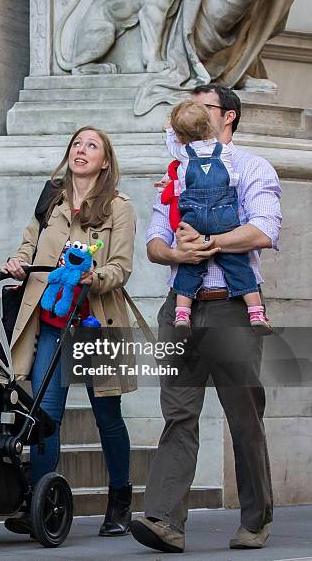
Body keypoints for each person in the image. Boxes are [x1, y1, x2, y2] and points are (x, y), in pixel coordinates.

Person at [131, 85, 282, 553]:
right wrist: (176, 251)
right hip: (181, 309)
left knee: (243, 418)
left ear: (228, 117)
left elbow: (264, 229)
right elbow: (155, 242)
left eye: (204, 107)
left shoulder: (252, 167)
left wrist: (211, 243)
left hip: (232, 306)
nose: (192, 114)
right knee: (178, 415)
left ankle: (255, 519)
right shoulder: (176, 172)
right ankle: (163, 520)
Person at [1, 126, 137, 537]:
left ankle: (120, 501)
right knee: (44, 418)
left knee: (107, 416)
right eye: (77, 144)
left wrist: (95, 277)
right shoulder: (52, 198)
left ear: (105, 161)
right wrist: (18, 263)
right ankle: (41, 504)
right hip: (52, 324)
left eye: (92, 146)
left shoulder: (118, 206)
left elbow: (122, 266)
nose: (82, 150)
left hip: (97, 325)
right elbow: (29, 245)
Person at [164, 100, 271, 335]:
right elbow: (231, 180)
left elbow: (171, 143)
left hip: (193, 217)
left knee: (190, 265)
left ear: (182, 136)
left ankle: (182, 313)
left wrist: (170, 129)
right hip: (222, 215)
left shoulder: (184, 155)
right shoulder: (223, 152)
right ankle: (256, 312)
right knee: (239, 264)